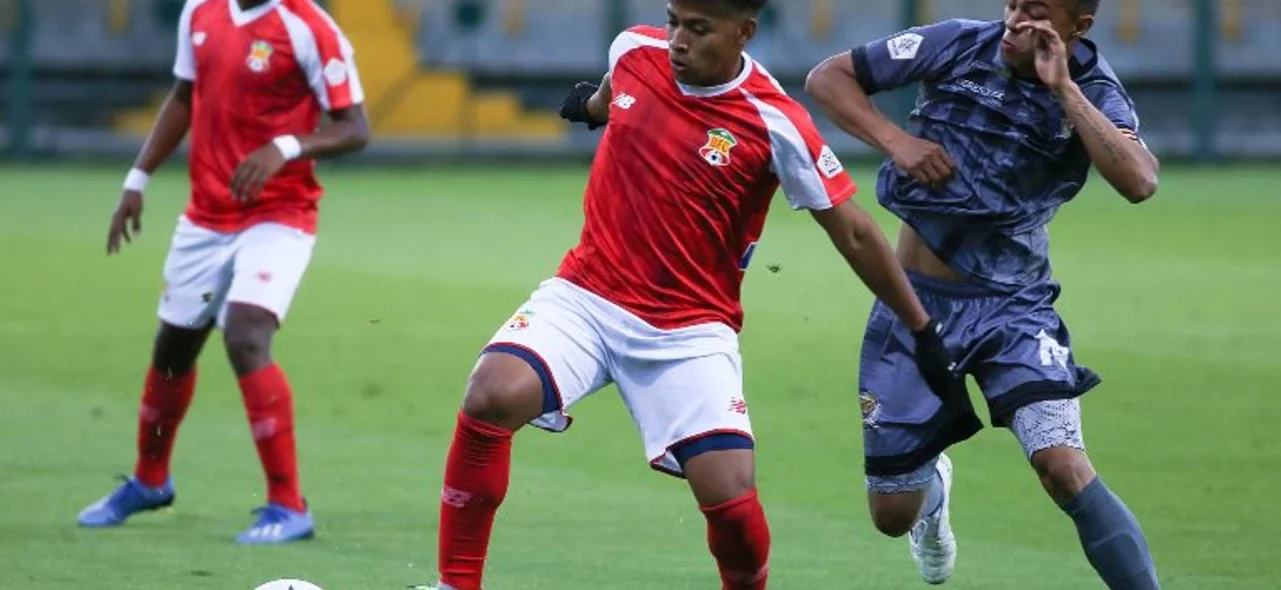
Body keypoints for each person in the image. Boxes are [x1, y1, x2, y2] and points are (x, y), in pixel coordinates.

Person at [420, 1, 964, 589]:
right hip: (586, 297)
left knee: (728, 494)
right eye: (675, 20)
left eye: (698, 29)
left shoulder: (774, 121)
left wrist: (921, 328)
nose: (678, 39)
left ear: (743, 33)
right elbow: (611, 94)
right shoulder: (634, 50)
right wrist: (590, 108)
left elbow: (855, 231)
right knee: (490, 394)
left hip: (690, 330)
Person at [804, 0, 1161, 587]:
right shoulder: (958, 43)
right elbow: (828, 77)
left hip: (1014, 309)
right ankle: (933, 495)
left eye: (1036, 11)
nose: (1015, 20)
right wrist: (897, 141)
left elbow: (1140, 181)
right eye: (1013, 3)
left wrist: (1065, 90)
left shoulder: (1094, 90)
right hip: (913, 307)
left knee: (1064, 468)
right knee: (892, 516)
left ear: (1079, 27)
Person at [76, 0, 370, 545]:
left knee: (245, 334)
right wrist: (138, 178)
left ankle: (288, 505)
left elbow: (355, 127)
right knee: (173, 349)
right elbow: (185, 96)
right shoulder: (200, 11)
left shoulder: (307, 25)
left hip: (280, 215)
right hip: (206, 217)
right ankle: (149, 481)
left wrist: (285, 147)